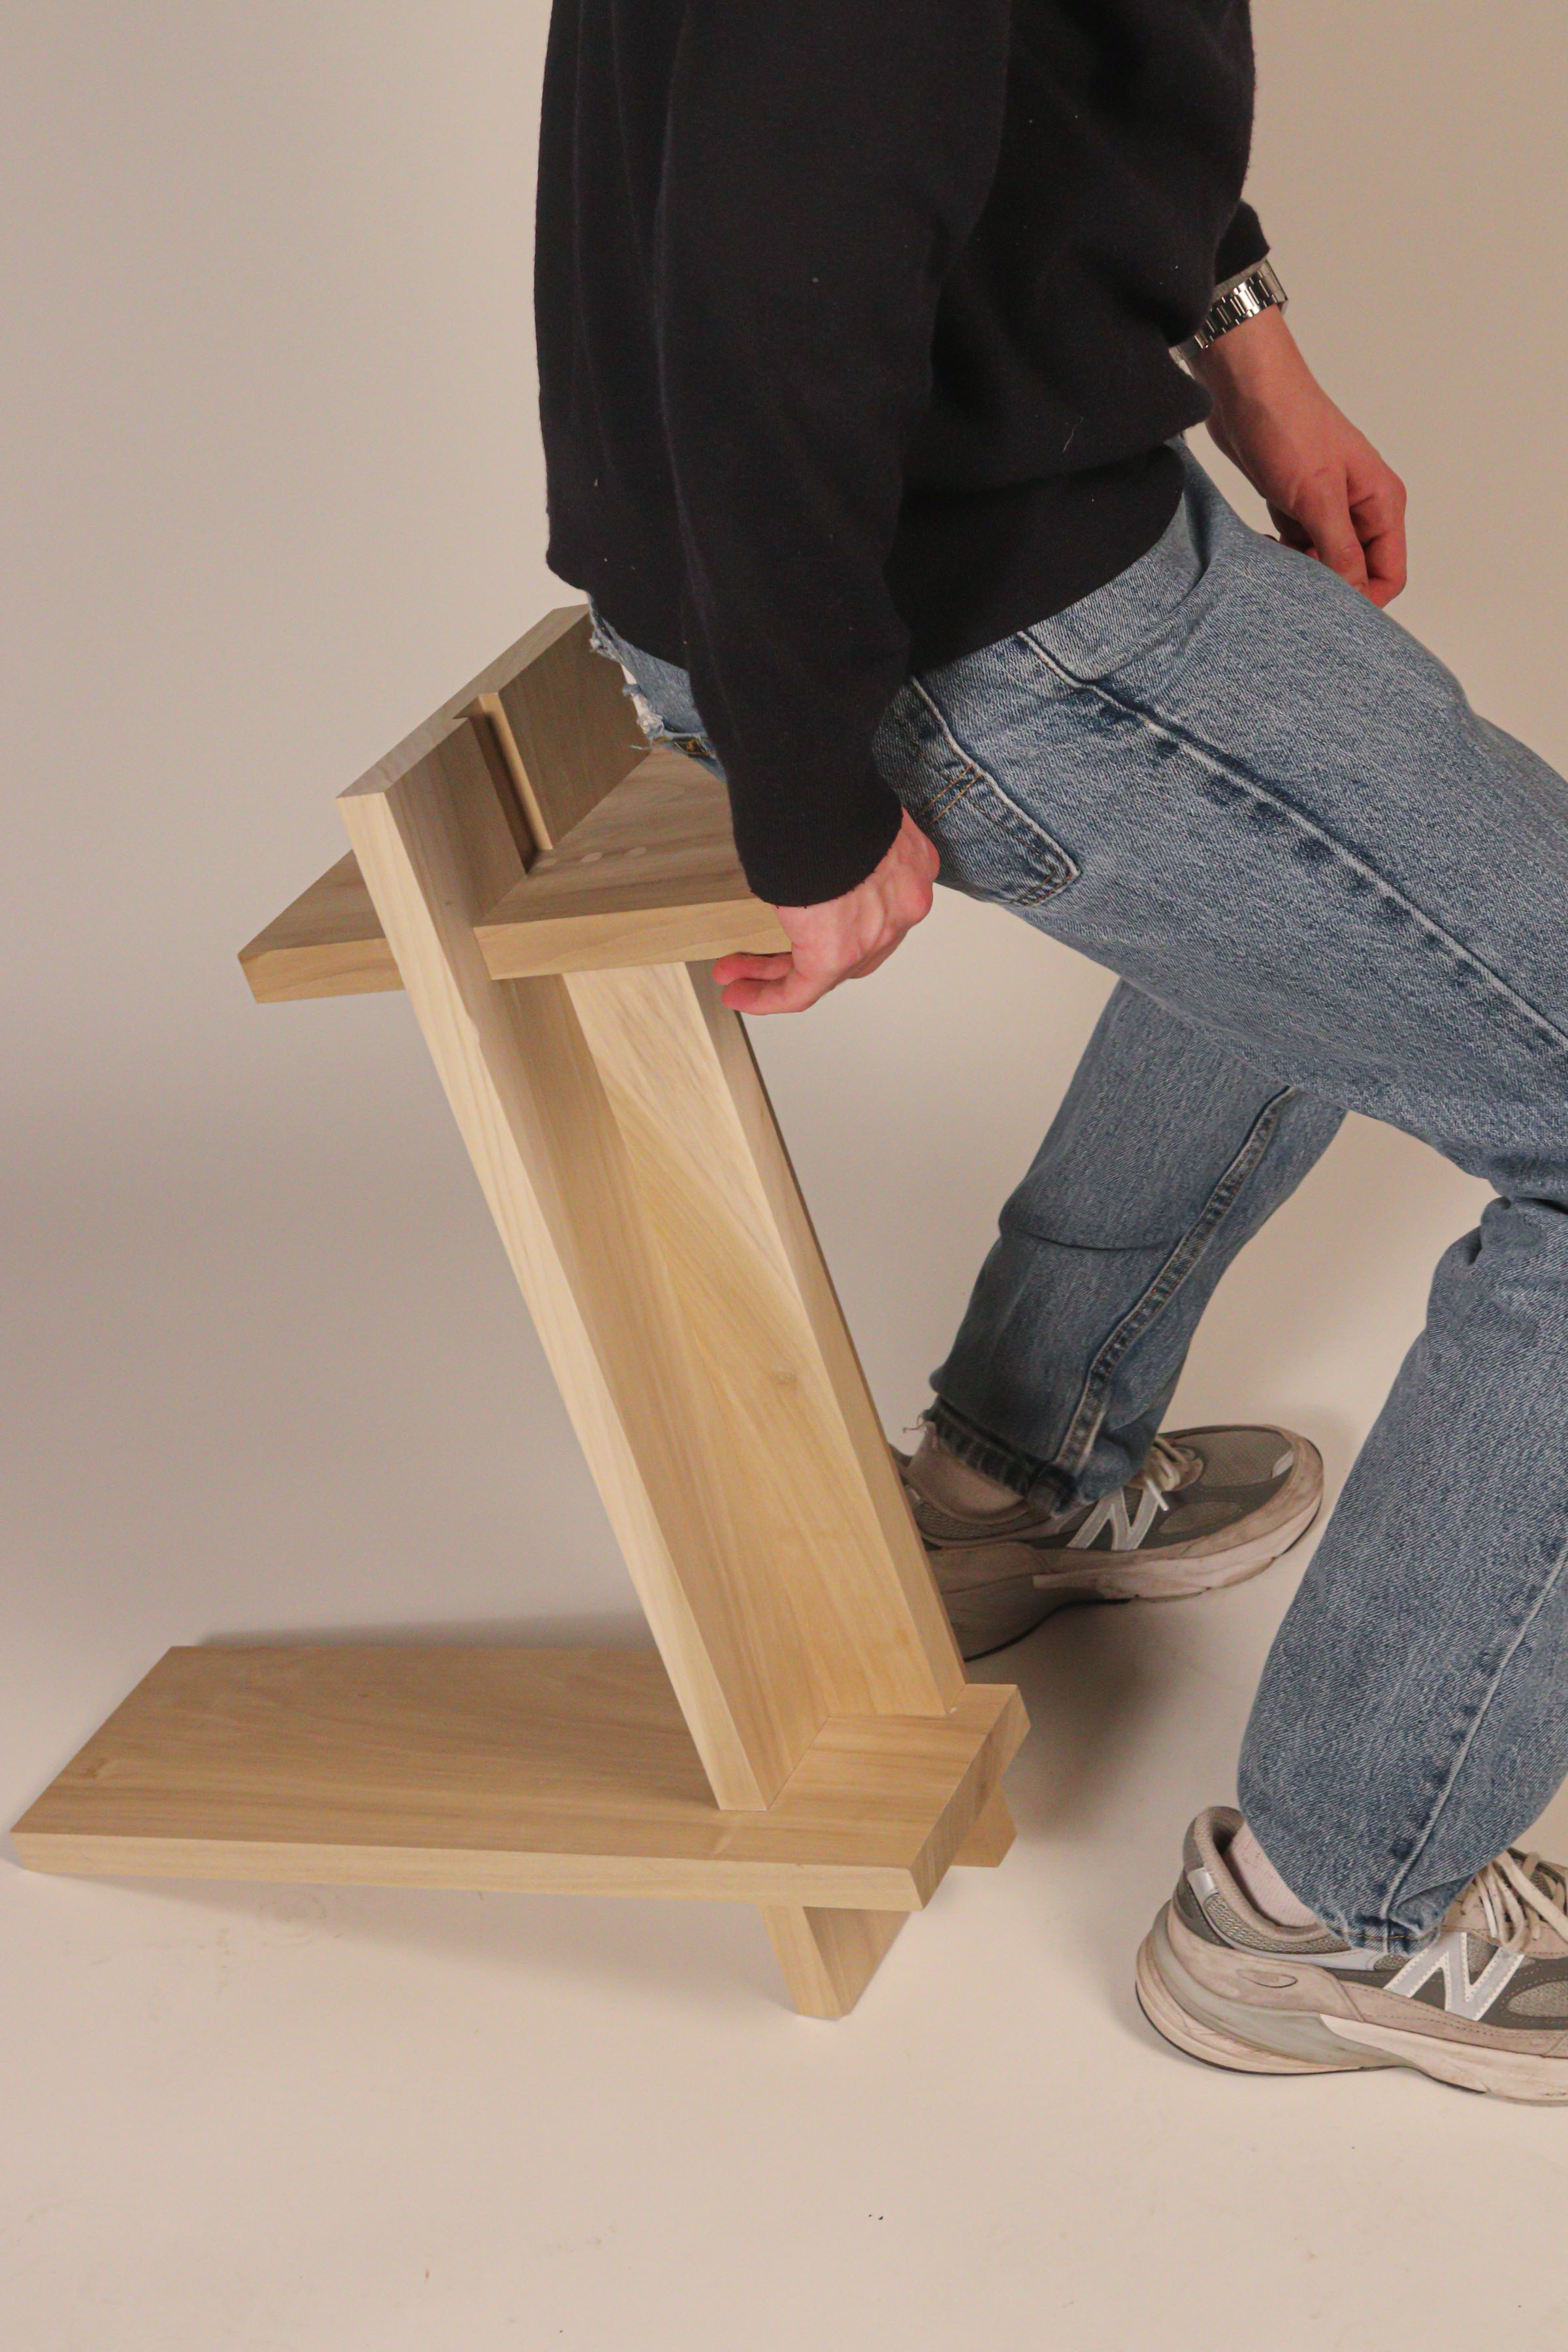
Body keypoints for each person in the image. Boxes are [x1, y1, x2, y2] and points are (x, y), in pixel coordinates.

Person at [533, 2, 1568, 2100]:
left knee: (1346, 899)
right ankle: (1333, 1906)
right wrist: (806, 782)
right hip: (975, 622)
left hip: (999, 539)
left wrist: (1246, 343)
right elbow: (771, 264)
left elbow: (1057, 67)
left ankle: (1017, 1471)